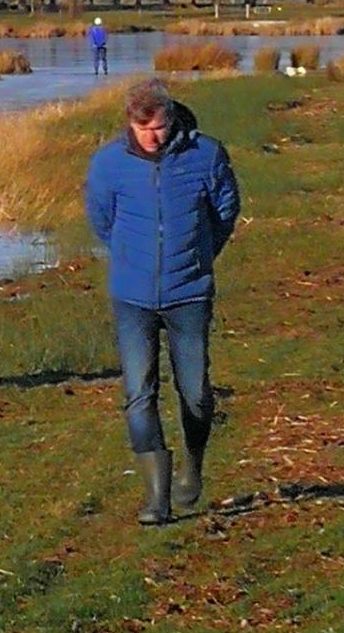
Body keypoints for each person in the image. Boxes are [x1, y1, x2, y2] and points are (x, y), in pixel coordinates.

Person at [84, 80, 241, 525]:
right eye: (142, 127)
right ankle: (158, 498)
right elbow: (101, 218)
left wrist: (200, 254)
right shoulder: (108, 164)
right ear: (130, 122)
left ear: (171, 120)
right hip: (132, 296)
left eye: (158, 127)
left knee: (194, 393)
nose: (151, 136)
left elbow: (226, 210)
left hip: (189, 292)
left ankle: (194, 465)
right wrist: (130, 257)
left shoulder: (206, 155)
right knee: (138, 393)